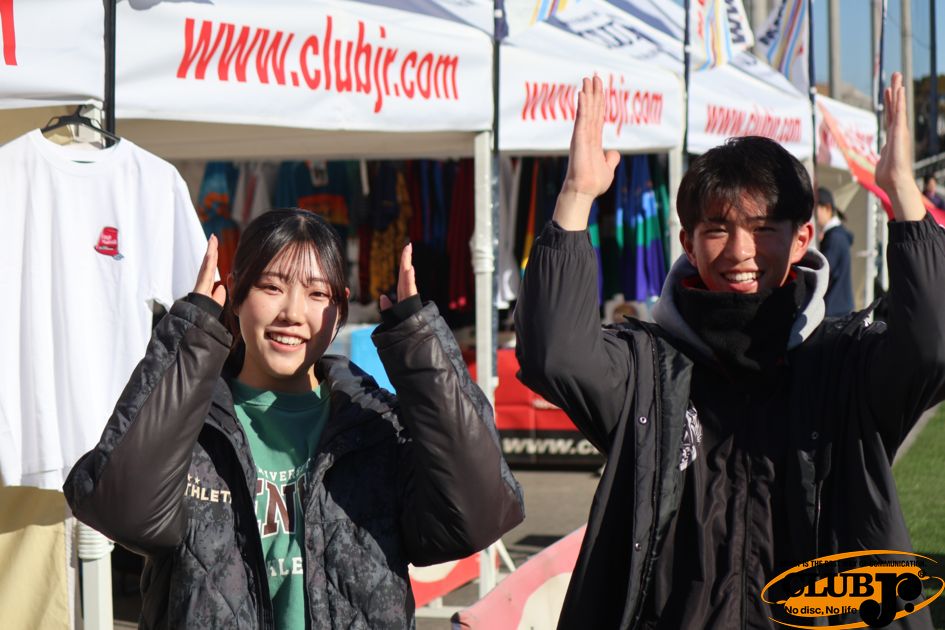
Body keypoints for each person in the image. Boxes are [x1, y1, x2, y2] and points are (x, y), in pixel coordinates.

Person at [515, 73, 944, 629]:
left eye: (762, 228)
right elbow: (553, 355)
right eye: (717, 229)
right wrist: (575, 196)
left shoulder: (845, 364)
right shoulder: (650, 369)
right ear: (687, 244)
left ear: (801, 238)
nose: (741, 251)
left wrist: (905, 196)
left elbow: (933, 344)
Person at [64, 209, 524, 629]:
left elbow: (478, 515)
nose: (292, 313)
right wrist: (191, 334)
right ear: (235, 294)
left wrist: (419, 345)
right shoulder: (190, 423)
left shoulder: (375, 426)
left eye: (317, 293)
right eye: (272, 287)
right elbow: (121, 511)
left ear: (340, 309)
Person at [814, 186, 855, 316]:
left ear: (827, 208)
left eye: (815, 209)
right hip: (839, 306)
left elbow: (824, 271)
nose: (813, 215)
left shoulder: (835, 238)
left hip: (834, 309)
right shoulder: (836, 235)